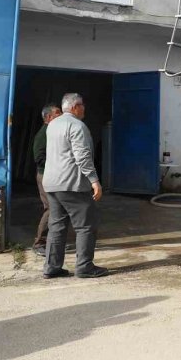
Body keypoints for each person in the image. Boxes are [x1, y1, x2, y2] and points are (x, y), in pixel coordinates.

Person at [42, 93, 108, 279]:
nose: (84, 108)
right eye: (82, 105)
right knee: (86, 225)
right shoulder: (77, 126)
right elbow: (82, 156)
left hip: (52, 184)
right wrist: (95, 181)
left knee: (57, 226)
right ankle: (84, 267)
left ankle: (52, 267)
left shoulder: (53, 125)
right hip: (71, 183)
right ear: (75, 107)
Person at [31, 103, 62, 256]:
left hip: (54, 175)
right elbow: (38, 157)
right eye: (57, 113)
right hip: (45, 175)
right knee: (51, 208)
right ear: (49, 117)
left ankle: (52, 242)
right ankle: (39, 243)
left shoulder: (54, 132)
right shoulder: (43, 134)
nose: (61, 115)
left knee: (58, 208)